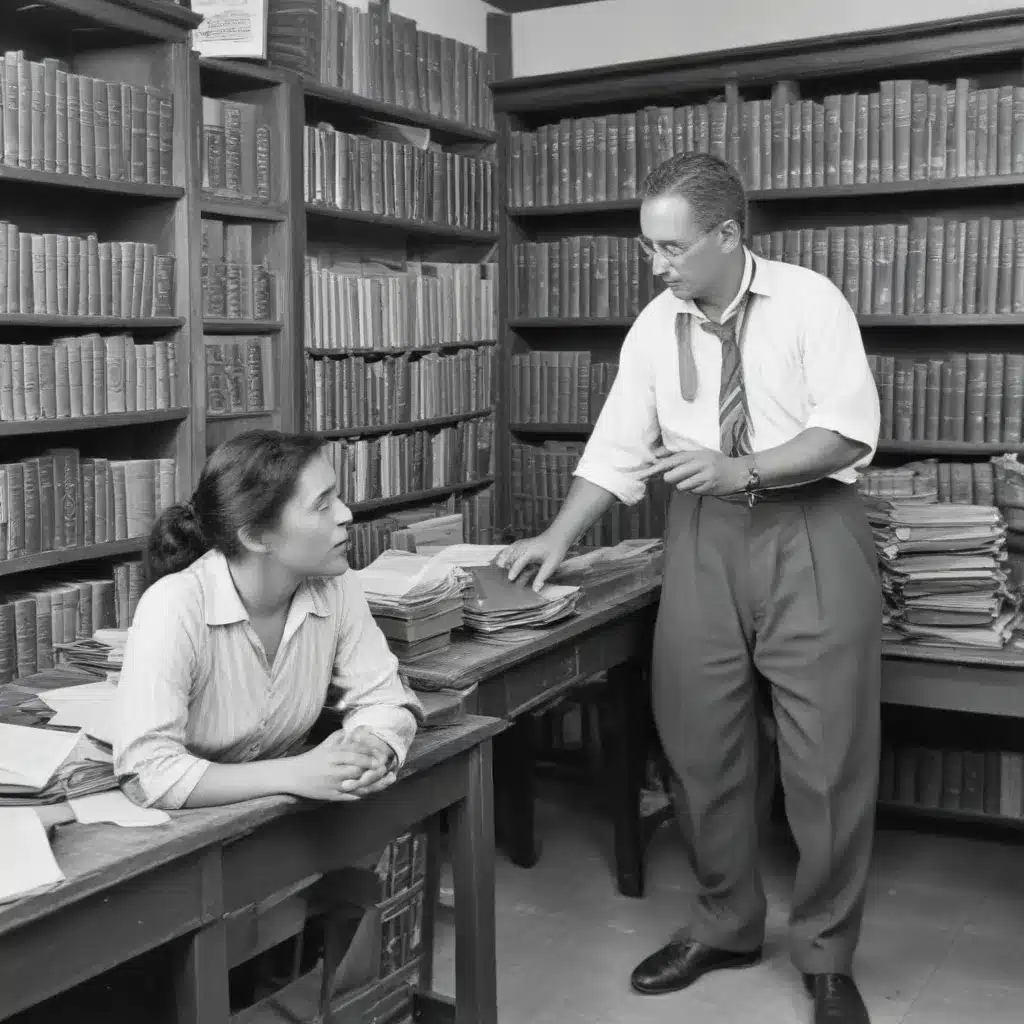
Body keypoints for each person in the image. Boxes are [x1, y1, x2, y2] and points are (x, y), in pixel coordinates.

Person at [498, 153, 881, 1024]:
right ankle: (726, 922)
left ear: (727, 235)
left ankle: (825, 953)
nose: (658, 265)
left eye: (671, 248)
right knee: (699, 737)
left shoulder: (810, 302)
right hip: (702, 535)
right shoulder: (654, 324)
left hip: (810, 525)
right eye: (647, 248)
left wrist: (740, 467)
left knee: (827, 759)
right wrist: (557, 537)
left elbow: (846, 435)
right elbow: (618, 446)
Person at [114, 430, 422, 810]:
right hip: (179, 830)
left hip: (275, 818)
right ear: (257, 537)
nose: (346, 514)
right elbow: (145, 773)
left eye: (337, 496)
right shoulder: (174, 605)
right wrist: (295, 774)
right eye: (323, 505)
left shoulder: (337, 586)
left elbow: (384, 699)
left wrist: (370, 748)